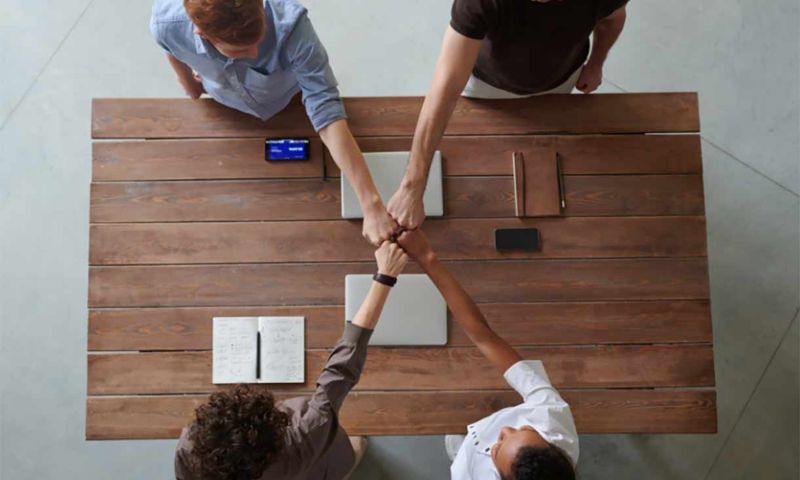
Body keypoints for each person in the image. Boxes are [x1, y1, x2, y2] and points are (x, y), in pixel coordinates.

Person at [150, 0, 395, 245]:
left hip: (289, 100)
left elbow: (325, 107)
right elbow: (169, 45)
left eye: (261, 36)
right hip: (227, 112)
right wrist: (189, 85)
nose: (255, 53)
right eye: (240, 51)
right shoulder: (165, 24)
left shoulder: (292, 25)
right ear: (200, 32)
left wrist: (371, 205)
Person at [174, 241, 409, 479]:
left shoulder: (190, 447)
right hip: (321, 465)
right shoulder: (305, 435)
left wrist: (385, 277)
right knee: (346, 453)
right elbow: (342, 367)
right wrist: (385, 277)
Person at [387, 0, 628, 229]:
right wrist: (412, 186)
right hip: (484, 84)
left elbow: (612, 20)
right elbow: (447, 86)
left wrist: (596, 63)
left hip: (561, 80)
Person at [397, 229, 578, 480]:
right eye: (523, 428)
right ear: (553, 444)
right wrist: (426, 257)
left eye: (499, 445)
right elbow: (483, 336)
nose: (505, 429)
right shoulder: (550, 417)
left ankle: (463, 449)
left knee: (461, 457)